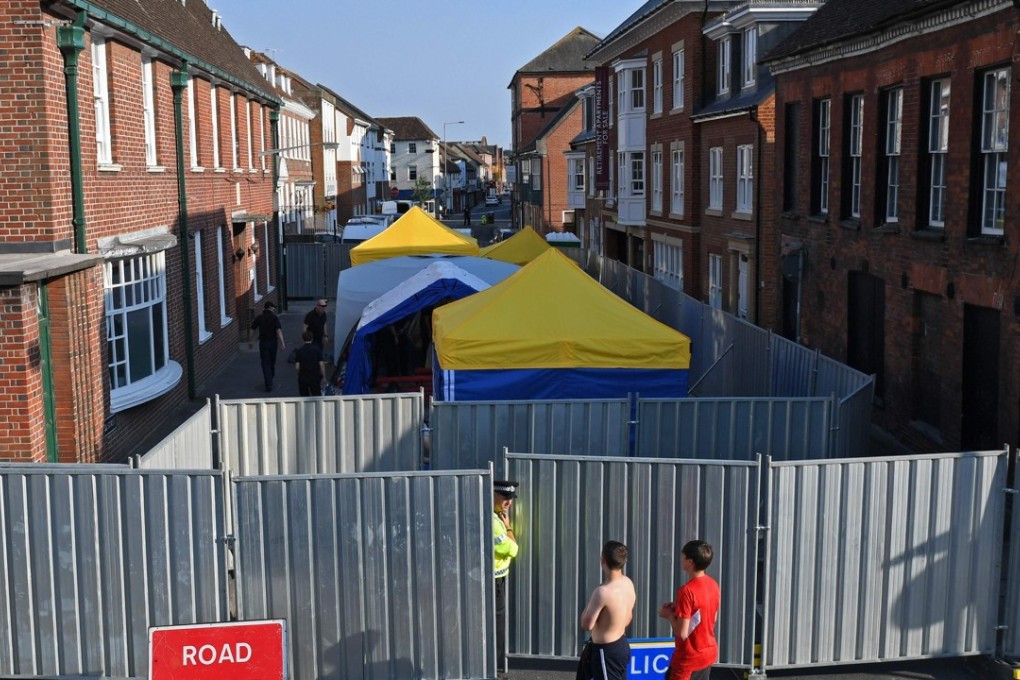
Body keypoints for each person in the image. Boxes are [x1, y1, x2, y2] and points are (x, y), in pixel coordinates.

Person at [658, 540, 721, 680]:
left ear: (690, 562)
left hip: (689, 658)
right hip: (708, 654)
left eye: (683, 556)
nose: (681, 559)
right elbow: (711, 617)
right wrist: (679, 609)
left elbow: (682, 633)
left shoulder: (686, 591)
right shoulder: (713, 585)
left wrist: (669, 615)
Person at [577, 541, 636, 680]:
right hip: (621, 645)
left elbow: (586, 624)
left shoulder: (602, 592)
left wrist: (591, 602)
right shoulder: (628, 583)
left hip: (606, 651)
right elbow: (628, 617)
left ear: (602, 560)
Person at [493, 480, 520, 680]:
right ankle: (493, 668)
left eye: (510, 498)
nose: (508, 502)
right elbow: (513, 549)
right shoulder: (495, 522)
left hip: (496, 580)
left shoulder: (496, 517)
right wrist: (509, 528)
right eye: (505, 497)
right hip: (494, 582)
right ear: (493, 495)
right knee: (497, 625)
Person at [249, 301, 285, 392]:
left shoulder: (259, 318)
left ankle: (268, 381)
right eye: (273, 308)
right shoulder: (274, 318)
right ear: (269, 307)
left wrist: (251, 341)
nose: (274, 309)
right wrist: (282, 342)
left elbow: (252, 329)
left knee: (265, 363)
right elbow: (278, 331)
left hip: (263, 343)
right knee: (272, 362)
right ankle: (270, 379)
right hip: (273, 343)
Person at [294, 330, 326, 396]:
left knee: (304, 397)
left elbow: (297, 366)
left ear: (303, 339)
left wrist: (299, 374)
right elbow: (321, 364)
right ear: (312, 339)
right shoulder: (317, 350)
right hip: (314, 377)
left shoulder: (299, 351)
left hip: (303, 377)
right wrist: (324, 377)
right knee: (316, 396)